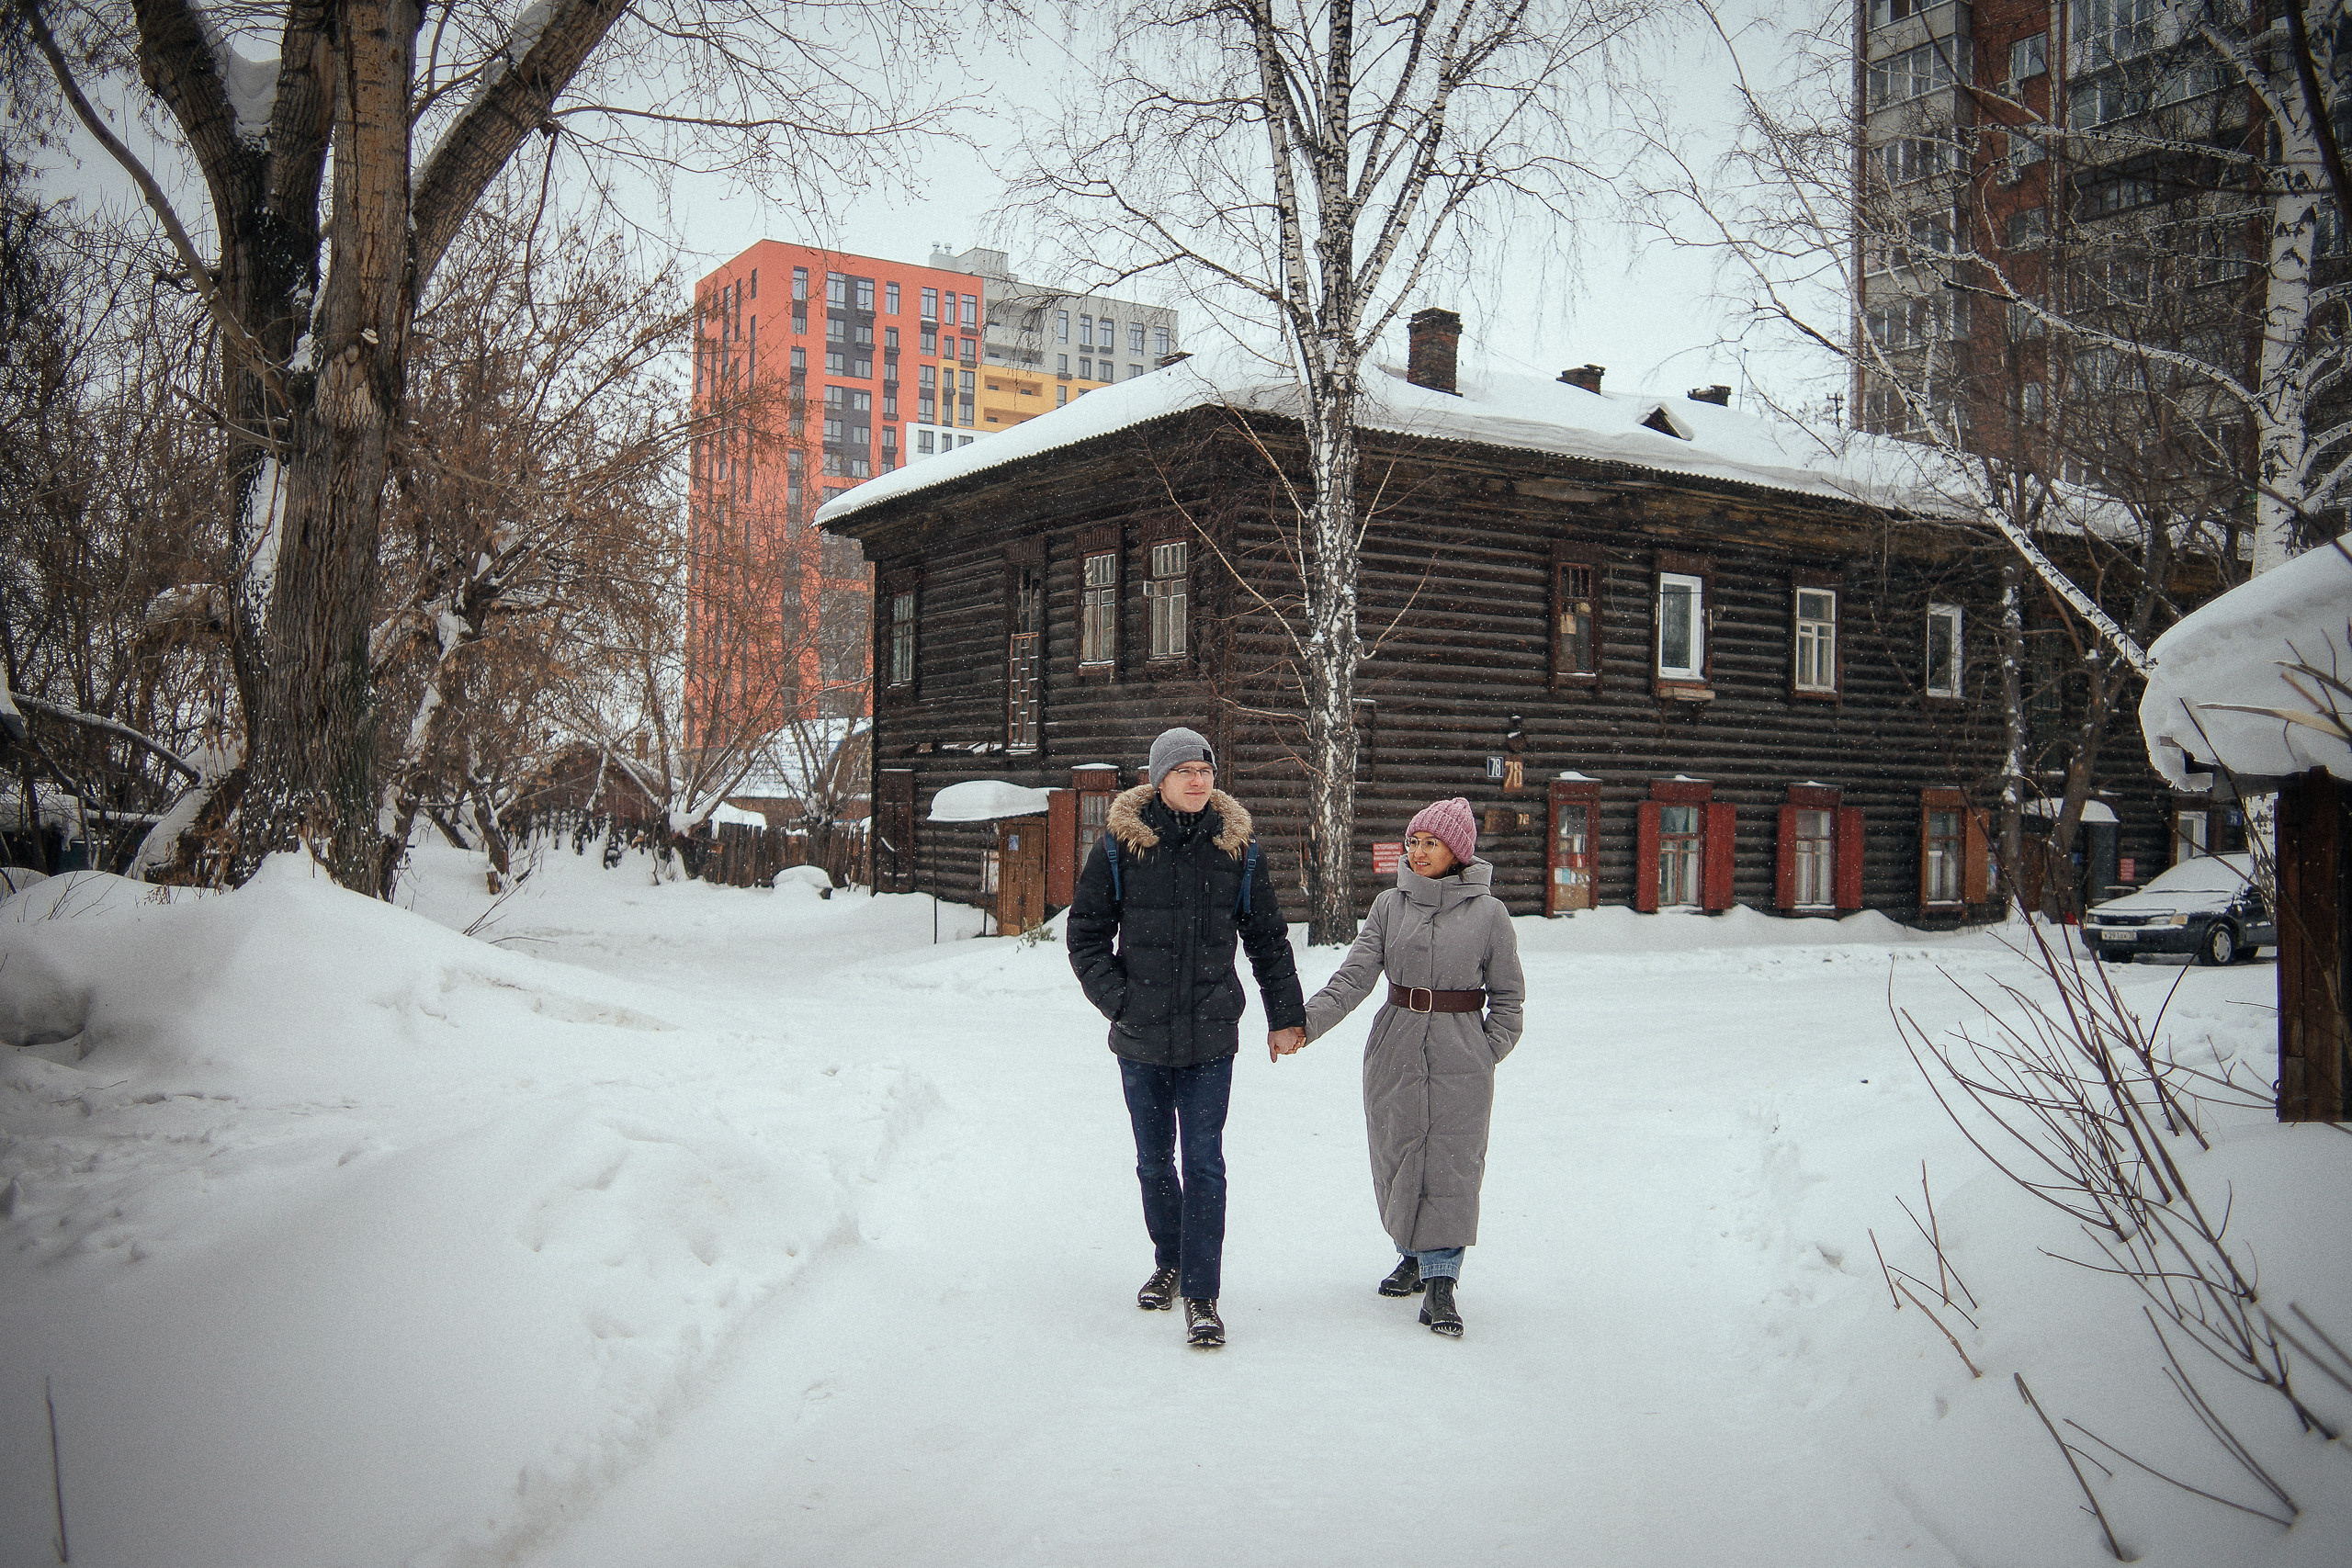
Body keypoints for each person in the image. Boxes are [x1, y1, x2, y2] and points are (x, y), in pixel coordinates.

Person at [1067, 727, 1307, 1348]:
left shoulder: (1237, 848)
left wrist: (1285, 1015)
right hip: (1141, 1038)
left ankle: (1203, 1294)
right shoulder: (1121, 846)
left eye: (1205, 770)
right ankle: (1169, 1259)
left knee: (1203, 1163)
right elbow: (1086, 935)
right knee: (1153, 1162)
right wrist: (1121, 1001)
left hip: (1210, 1038)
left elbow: (1268, 938)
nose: (1198, 780)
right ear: (1159, 780)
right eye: (1185, 771)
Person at [1283, 796, 1524, 1338]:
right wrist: (1305, 1023)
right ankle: (1411, 1254)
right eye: (1413, 841)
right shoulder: (1389, 906)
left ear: (1457, 851)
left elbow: (1509, 1000)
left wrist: (1485, 1050)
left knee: (1452, 1164)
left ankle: (1442, 1283)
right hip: (1395, 1046)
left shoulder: (1490, 915)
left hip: (1461, 1054)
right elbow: (1354, 977)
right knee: (1397, 1153)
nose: (1417, 852)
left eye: (1430, 843)